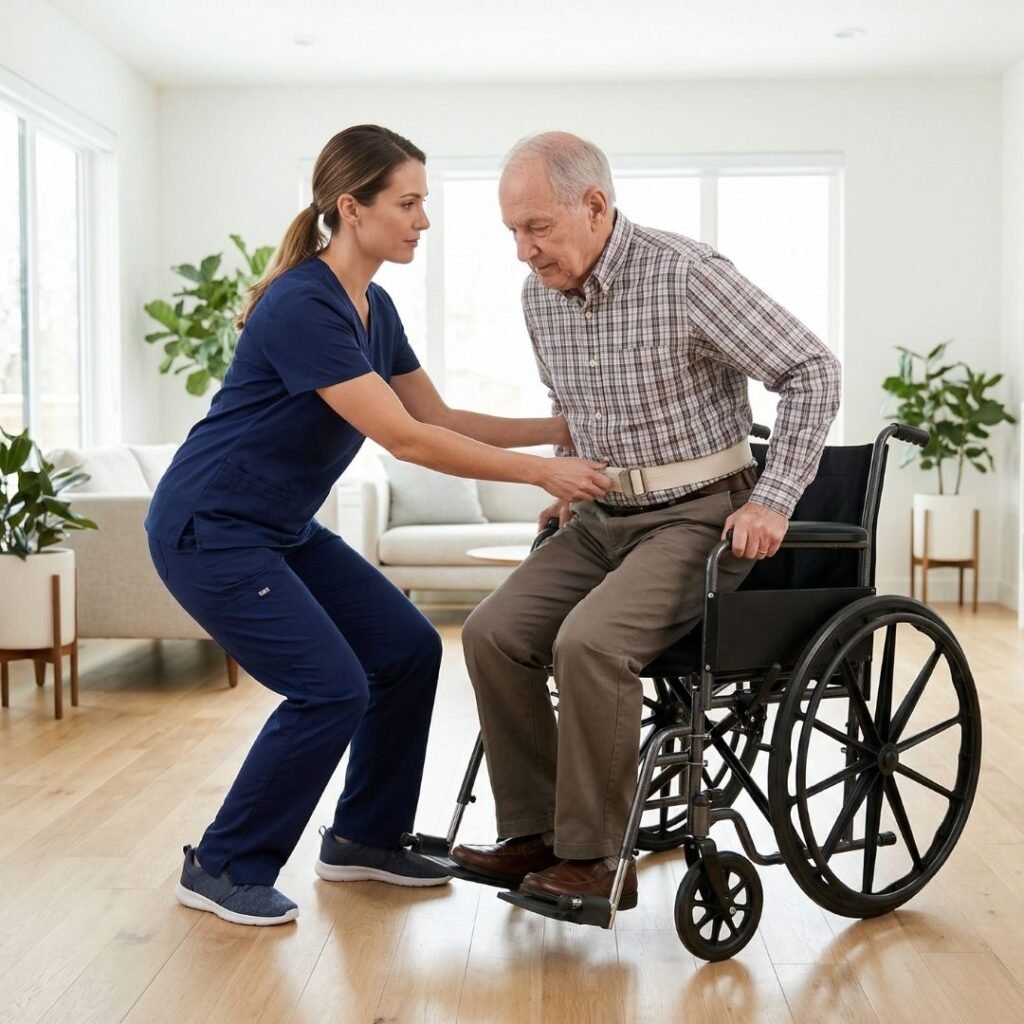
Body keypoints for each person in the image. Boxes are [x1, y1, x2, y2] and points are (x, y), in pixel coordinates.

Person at [145, 124, 610, 927]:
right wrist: (542, 472)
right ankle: (222, 863)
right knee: (329, 688)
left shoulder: (373, 304)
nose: (422, 220)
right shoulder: (301, 305)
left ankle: (363, 838)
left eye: (422, 202)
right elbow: (405, 439)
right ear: (350, 208)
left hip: (278, 527)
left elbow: (436, 412)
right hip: (210, 526)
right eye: (408, 202)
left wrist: (554, 430)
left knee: (407, 648)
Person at [451, 131, 841, 909]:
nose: (524, 252)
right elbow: (572, 405)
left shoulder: (687, 275)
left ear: (594, 205)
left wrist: (774, 498)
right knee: (492, 634)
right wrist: (571, 482)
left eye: (537, 228)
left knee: (590, 644)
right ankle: (534, 833)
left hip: (700, 518)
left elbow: (812, 370)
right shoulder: (540, 298)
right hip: (600, 521)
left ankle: (598, 861)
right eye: (512, 233)